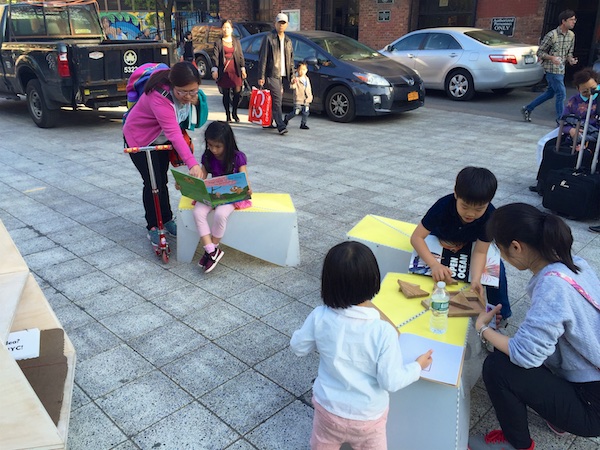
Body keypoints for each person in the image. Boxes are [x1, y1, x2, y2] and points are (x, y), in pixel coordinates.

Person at [468, 203, 600, 450]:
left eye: (501, 250)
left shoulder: (552, 286)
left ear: (516, 247)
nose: (502, 257)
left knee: (498, 366)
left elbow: (525, 355)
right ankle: (559, 414)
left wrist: (483, 329)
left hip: (593, 406)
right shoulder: (575, 263)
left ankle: (516, 444)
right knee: (507, 348)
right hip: (590, 374)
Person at [290, 241, 433, 449]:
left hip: (327, 409)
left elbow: (298, 347)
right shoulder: (383, 331)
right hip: (368, 417)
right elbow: (391, 381)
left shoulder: (319, 316)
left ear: (328, 282)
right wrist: (417, 366)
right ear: (374, 280)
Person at [410, 167, 512, 323]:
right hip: (441, 237)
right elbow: (417, 237)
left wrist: (477, 279)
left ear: (488, 202)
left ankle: (500, 314)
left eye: (479, 209)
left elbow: (480, 252)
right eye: (465, 206)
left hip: (471, 243)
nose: (470, 214)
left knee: (496, 269)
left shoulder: (491, 216)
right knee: (422, 265)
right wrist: (434, 264)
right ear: (456, 195)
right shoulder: (443, 206)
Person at [123, 62, 204, 248]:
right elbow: (174, 134)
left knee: (162, 181)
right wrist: (192, 164)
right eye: (183, 92)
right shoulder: (160, 96)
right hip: (140, 139)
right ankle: (153, 226)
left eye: (193, 91)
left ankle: (166, 219)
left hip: (160, 139)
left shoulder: (186, 93)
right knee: (152, 183)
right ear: (172, 85)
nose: (188, 96)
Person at [193, 121, 252, 273]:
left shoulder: (237, 157)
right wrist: (190, 184)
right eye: (210, 145)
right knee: (198, 212)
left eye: (218, 146)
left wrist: (247, 189)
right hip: (213, 193)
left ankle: (211, 250)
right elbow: (202, 178)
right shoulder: (207, 156)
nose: (213, 150)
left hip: (231, 196)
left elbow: (245, 180)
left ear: (228, 143)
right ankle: (211, 251)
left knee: (220, 214)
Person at [529, 68, 599, 194]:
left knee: (583, 153)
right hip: (572, 132)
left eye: (593, 89)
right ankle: (544, 183)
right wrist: (570, 130)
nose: (590, 93)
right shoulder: (574, 100)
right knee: (548, 145)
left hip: (592, 136)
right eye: (585, 91)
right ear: (578, 89)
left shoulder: (598, 100)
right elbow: (563, 120)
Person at [521, 10, 578, 123]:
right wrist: (552, 58)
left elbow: (569, 53)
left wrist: (570, 59)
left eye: (574, 19)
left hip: (561, 69)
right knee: (561, 93)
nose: (574, 22)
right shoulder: (552, 35)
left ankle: (528, 108)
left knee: (550, 93)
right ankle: (561, 121)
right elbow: (540, 52)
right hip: (551, 69)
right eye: (571, 19)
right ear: (563, 21)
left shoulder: (571, 35)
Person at [258, 13, 294, 135]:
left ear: (287, 25)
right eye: (279, 23)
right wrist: (261, 76)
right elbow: (263, 58)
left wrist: (292, 75)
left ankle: (268, 122)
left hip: (284, 76)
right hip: (272, 73)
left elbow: (291, 60)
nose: (281, 25)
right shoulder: (269, 38)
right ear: (275, 24)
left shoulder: (288, 41)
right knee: (278, 100)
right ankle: (281, 126)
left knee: (274, 100)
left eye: (284, 23)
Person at [211, 20, 246, 123]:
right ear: (222, 29)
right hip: (224, 71)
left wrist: (243, 68)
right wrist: (215, 70)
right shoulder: (218, 42)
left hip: (235, 71)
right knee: (226, 94)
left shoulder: (236, 41)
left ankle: (234, 112)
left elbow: (240, 56)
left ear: (232, 29)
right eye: (224, 27)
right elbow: (215, 57)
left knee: (237, 93)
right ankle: (228, 115)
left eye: (228, 28)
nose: (226, 30)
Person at [284, 61, 313, 130]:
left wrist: (310, 96)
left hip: (306, 99)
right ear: (297, 70)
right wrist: (293, 82)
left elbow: (309, 88)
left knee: (306, 112)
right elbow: (292, 87)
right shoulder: (296, 79)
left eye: (304, 69)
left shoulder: (307, 79)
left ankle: (303, 123)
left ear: (306, 70)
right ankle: (287, 118)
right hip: (298, 98)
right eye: (300, 70)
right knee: (296, 111)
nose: (302, 71)